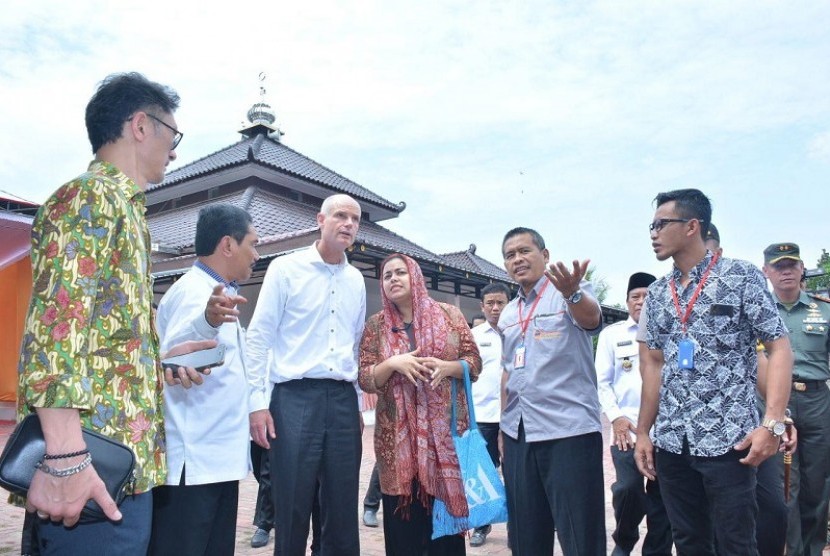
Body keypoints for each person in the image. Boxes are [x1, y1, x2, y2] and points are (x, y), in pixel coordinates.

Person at [15, 72, 213, 555]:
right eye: (174, 133)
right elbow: (53, 335)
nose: (175, 149)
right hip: (89, 469)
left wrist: (158, 359)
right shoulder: (90, 198)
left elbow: (93, 338)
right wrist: (65, 461)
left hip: (116, 465)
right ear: (141, 125)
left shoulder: (124, 210)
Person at [635, 188, 793, 555]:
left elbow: (778, 346)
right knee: (689, 541)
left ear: (692, 226)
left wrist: (772, 423)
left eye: (661, 224)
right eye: (651, 225)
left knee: (736, 542)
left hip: (729, 440)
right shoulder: (658, 294)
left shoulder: (740, 277)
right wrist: (645, 431)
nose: (653, 233)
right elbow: (654, 364)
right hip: (673, 440)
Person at [247, 193, 366, 556]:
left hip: (343, 399)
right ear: (321, 219)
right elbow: (258, 337)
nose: (348, 224)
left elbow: (355, 342)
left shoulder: (357, 279)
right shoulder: (286, 269)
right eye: (340, 216)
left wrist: (358, 402)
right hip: (294, 399)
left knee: (342, 505)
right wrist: (256, 403)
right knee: (293, 502)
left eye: (355, 219)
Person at [149, 204, 260, 555]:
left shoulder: (220, 291)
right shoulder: (194, 292)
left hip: (217, 461)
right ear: (228, 245)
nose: (257, 255)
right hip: (193, 467)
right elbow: (174, 360)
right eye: (253, 244)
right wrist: (208, 321)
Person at [358, 253, 482, 555]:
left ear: (415, 276)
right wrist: (392, 363)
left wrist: (447, 367)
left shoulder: (449, 314)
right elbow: (365, 378)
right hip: (398, 448)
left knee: (446, 539)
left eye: (400, 272)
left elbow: (474, 363)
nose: (393, 279)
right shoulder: (376, 326)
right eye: (387, 276)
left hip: (444, 446)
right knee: (404, 535)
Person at [498, 227, 606, 555]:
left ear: (544, 255)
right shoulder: (507, 313)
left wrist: (573, 293)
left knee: (580, 533)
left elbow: (591, 319)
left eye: (524, 251)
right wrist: (504, 430)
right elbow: (507, 372)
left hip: (568, 432)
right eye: (510, 255)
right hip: (519, 435)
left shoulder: (568, 292)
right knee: (526, 533)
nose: (517, 259)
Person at [707, 226, 793, 556]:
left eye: (711, 255)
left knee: (771, 508)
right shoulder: (667, 300)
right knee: (712, 519)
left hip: (746, 422)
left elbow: (761, 357)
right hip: (693, 432)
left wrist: (778, 418)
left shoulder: (738, 295)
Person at [595, 272, 672, 556]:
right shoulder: (611, 335)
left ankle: (657, 551)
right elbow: (602, 382)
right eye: (635, 296)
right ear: (627, 301)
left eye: (647, 295)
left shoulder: (671, 331)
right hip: (626, 430)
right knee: (628, 490)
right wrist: (615, 417)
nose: (641, 301)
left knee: (663, 497)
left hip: (666, 430)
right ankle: (624, 542)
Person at [762, 243, 830, 556]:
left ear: (802, 269)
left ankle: (814, 550)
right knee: (785, 486)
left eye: (791, 265)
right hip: (776, 401)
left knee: (817, 486)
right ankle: (791, 551)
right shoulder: (759, 310)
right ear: (767, 272)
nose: (786, 271)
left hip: (817, 401)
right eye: (778, 266)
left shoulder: (824, 309)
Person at [467, 282, 511, 547]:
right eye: (490, 303)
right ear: (482, 306)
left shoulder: (520, 331)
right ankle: (481, 526)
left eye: (501, 303)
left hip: (515, 417)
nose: (495, 308)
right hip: (483, 416)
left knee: (516, 473)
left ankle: (519, 526)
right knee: (482, 474)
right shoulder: (473, 336)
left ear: (509, 304)